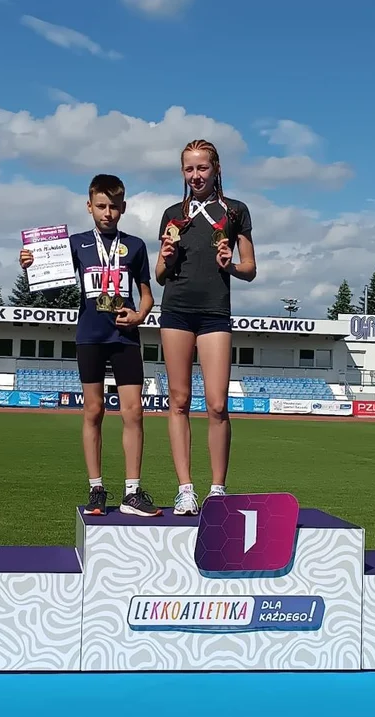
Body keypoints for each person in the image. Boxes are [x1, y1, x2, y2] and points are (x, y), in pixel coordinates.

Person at [20, 174, 160, 518]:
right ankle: (96, 488)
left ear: (123, 208)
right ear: (89, 206)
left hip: (125, 336)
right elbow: (50, 287)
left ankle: (132, 492)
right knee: (93, 411)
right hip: (90, 336)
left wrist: (140, 315)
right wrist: (30, 266)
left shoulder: (136, 246)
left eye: (114, 206)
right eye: (101, 206)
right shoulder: (75, 244)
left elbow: (147, 294)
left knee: (134, 413)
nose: (107, 212)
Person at [154, 139, 257, 516]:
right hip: (176, 311)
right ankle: (185, 489)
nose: (195, 175)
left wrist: (230, 263)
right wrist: (164, 258)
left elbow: (250, 269)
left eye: (202, 168)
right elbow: (161, 276)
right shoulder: (171, 213)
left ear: (216, 170)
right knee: (178, 402)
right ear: (182, 172)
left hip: (215, 313)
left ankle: (217, 490)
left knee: (217, 405)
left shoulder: (235, 211)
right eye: (189, 169)